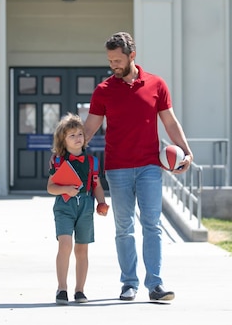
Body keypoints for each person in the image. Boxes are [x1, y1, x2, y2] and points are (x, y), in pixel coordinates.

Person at [83, 31, 194, 302]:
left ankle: (155, 285)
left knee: (152, 225)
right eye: (110, 61)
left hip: (149, 167)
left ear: (132, 56)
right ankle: (128, 284)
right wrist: (65, 153)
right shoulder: (104, 91)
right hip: (117, 168)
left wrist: (187, 152)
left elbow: (170, 122)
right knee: (124, 227)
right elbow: (89, 128)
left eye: (118, 60)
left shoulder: (156, 84)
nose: (113, 65)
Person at [47, 112, 109, 305]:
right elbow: (50, 187)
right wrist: (65, 189)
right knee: (65, 245)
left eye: (79, 134)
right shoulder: (58, 162)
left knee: (82, 250)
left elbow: (96, 184)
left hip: (86, 207)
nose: (77, 138)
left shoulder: (92, 162)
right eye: (71, 135)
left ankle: (80, 290)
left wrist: (102, 202)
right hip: (64, 206)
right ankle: (62, 288)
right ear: (62, 140)